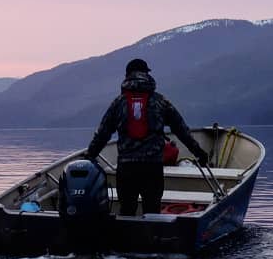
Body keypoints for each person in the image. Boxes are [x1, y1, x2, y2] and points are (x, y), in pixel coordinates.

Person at [86, 58, 210, 216]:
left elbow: (103, 133)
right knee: (152, 212)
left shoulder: (118, 103)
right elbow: (181, 130)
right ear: (146, 74)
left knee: (127, 212)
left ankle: (126, 239)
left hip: (126, 168)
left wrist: (90, 155)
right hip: (152, 168)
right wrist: (199, 152)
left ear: (127, 75)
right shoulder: (160, 101)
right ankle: (152, 238)